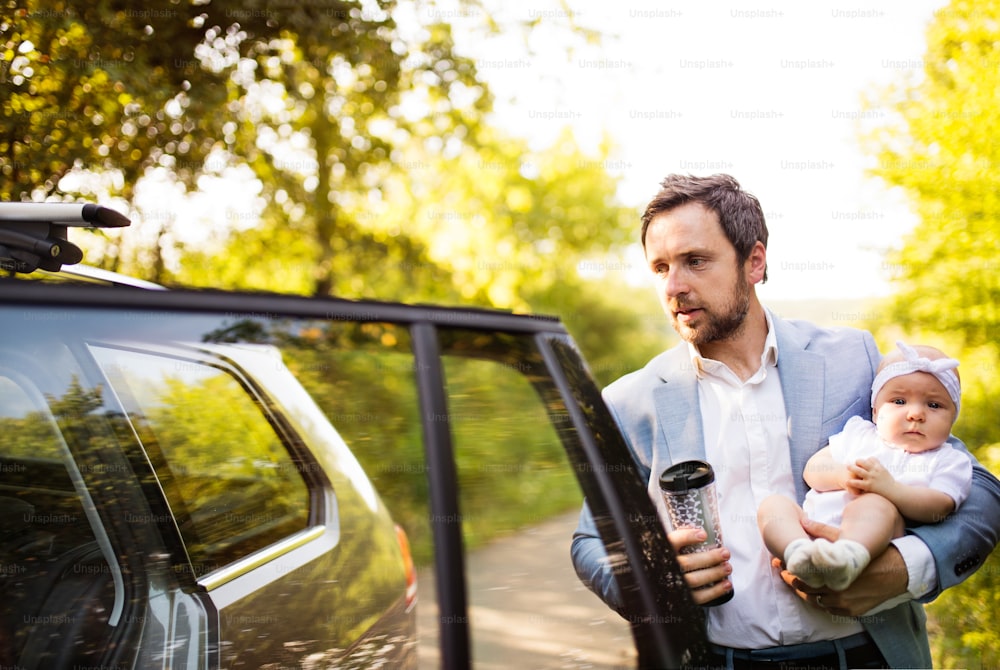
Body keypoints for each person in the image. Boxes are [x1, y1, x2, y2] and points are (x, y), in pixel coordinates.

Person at [570, 173, 1000, 669]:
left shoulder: (853, 360)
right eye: (660, 267)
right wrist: (647, 578)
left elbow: (979, 488)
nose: (674, 287)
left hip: (866, 656)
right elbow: (592, 541)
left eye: (695, 261)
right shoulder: (629, 401)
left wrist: (904, 569)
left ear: (754, 261)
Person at [758, 342, 972, 593]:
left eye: (934, 405)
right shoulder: (859, 435)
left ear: (953, 417)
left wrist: (889, 489)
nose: (915, 414)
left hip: (872, 547)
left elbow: (940, 505)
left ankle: (848, 557)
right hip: (809, 529)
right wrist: (841, 475)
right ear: (875, 410)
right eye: (899, 401)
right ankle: (798, 551)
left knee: (875, 503)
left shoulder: (949, 460)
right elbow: (813, 469)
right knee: (773, 505)